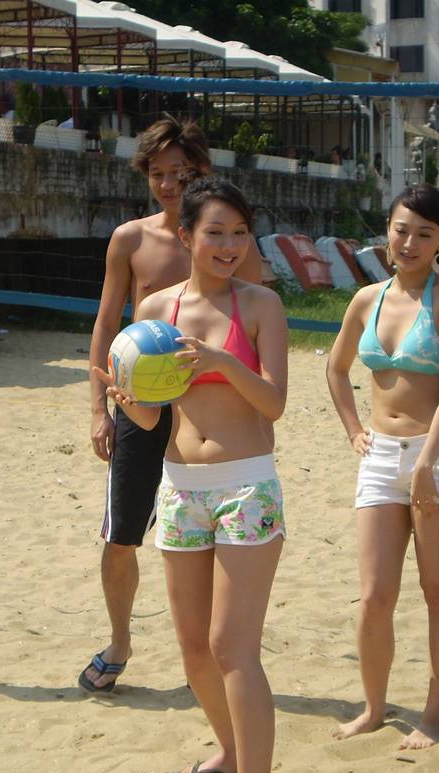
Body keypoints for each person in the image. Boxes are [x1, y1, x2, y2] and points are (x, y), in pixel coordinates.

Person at [94, 176, 288, 773]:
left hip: (246, 486)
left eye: (240, 233)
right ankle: (231, 754)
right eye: (215, 232)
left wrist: (219, 359)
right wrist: (126, 401)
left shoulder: (261, 304)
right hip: (180, 487)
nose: (229, 245)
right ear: (186, 236)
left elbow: (273, 404)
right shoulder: (157, 308)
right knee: (194, 647)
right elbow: (154, 418)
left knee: (233, 647)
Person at [81, 117, 262, 692]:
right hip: (141, 404)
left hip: (207, 412)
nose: (168, 184)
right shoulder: (130, 239)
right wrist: (98, 409)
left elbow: (253, 323)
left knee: (206, 534)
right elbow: (106, 324)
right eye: (157, 173)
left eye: (180, 173)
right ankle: (120, 639)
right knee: (121, 537)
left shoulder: (229, 242)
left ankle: (208, 659)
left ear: (200, 171)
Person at [326, 185, 439, 749]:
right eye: (401, 229)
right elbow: (337, 369)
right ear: (387, 230)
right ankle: (373, 707)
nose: (409, 242)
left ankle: (434, 717)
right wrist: (353, 430)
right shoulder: (366, 298)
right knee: (374, 595)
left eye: (424, 233)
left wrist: (427, 462)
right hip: (379, 457)